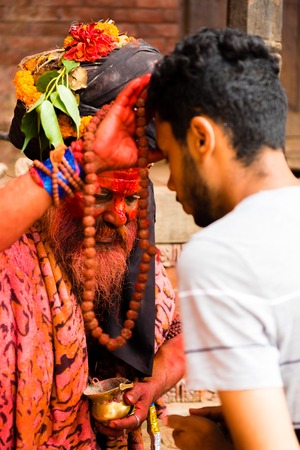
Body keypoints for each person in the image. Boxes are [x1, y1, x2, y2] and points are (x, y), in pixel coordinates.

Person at [65, 26, 300, 450]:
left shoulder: (224, 253)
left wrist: (214, 445)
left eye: (171, 158)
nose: (170, 183)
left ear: (201, 138)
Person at [1, 20, 185, 449]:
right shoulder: (15, 259)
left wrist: (150, 387)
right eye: (101, 195)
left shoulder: (137, 260)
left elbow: (181, 338)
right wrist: (77, 161)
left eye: (134, 199)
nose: (121, 217)